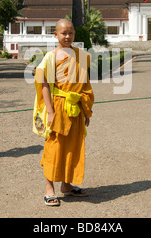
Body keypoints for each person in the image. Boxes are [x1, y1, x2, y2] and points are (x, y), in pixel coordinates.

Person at [33, 19, 94, 206]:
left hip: (75, 108)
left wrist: (85, 110)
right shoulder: (51, 57)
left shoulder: (81, 56)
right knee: (54, 146)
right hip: (58, 106)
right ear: (56, 35)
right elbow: (43, 85)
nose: (67, 36)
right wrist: (50, 111)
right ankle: (49, 187)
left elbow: (85, 85)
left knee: (73, 146)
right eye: (63, 33)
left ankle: (66, 185)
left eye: (71, 33)